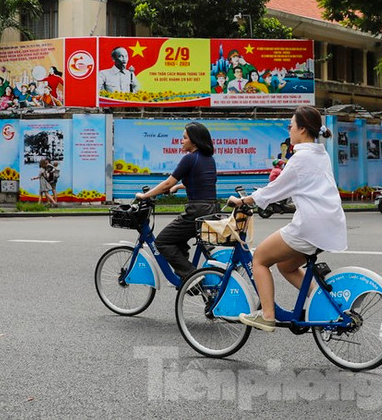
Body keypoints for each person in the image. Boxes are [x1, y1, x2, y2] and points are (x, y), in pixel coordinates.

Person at [227, 106, 346, 333]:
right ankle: (323, 306)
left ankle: (267, 315)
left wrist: (242, 201)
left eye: (290, 126)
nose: (289, 130)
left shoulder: (300, 158)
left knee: (260, 259)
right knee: (286, 265)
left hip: (310, 226)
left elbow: (274, 191)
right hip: (329, 224)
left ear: (302, 129)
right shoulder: (320, 153)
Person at [135, 122, 219, 282]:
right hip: (211, 208)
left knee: (162, 242)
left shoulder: (189, 159)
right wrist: (180, 187)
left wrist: (144, 196)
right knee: (177, 240)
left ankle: (191, 277)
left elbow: (167, 184)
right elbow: (202, 180)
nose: (181, 141)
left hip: (197, 211)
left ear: (194, 141)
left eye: (184, 138)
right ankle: (187, 278)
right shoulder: (208, 158)